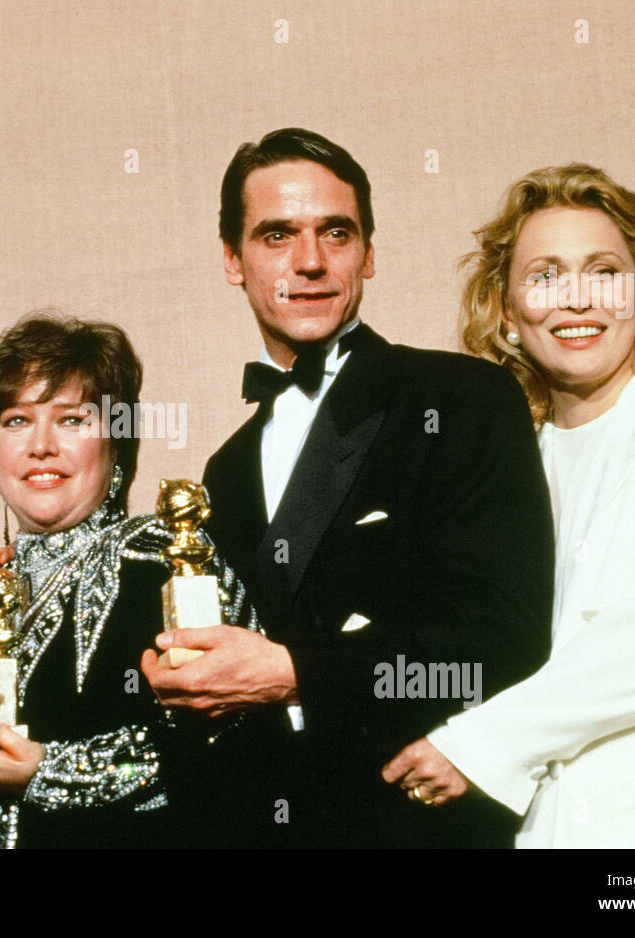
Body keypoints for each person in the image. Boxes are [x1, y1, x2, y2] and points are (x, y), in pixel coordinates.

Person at [140, 127, 556, 847]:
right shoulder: (225, 470)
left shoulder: (460, 397)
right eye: (276, 236)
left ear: (368, 254)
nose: (309, 262)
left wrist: (293, 672)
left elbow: (503, 641)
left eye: (335, 232)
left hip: (421, 827)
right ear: (234, 261)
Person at [382, 164, 635, 847]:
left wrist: (479, 743)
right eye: (544, 275)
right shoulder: (504, 468)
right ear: (507, 312)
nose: (576, 298)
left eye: (603, 271)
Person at [0, 314, 257, 848]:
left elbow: (231, 754)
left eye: (72, 420)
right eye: (15, 420)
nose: (41, 446)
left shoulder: (172, 568)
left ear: (117, 441)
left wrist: (47, 772)